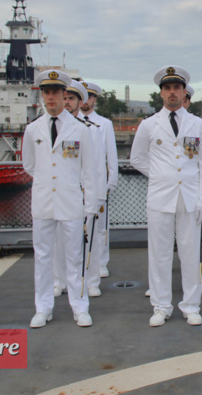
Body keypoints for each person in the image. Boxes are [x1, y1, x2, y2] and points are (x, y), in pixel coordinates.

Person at [130, 65, 202, 327]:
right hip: (160, 198)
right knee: (159, 254)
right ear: (161, 94)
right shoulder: (148, 125)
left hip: (189, 198)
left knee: (190, 254)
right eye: (167, 88)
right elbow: (137, 158)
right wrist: (158, 175)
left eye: (177, 88)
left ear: (184, 91)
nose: (172, 92)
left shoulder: (197, 124)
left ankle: (191, 305)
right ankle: (161, 305)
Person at [23, 70, 100, 328]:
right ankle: (43, 308)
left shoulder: (80, 129)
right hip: (43, 202)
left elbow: (89, 171)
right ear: (42, 95)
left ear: (64, 94)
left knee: (75, 257)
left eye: (56, 92)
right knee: (43, 257)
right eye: (47, 92)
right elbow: (29, 166)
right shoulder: (32, 129)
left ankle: (80, 306)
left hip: (70, 203)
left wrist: (90, 205)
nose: (52, 97)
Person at [53, 81, 108, 298]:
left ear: (79, 102)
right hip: (61, 193)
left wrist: (96, 194)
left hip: (85, 193)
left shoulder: (90, 130)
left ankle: (92, 280)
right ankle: (59, 280)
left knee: (90, 237)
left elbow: (95, 167)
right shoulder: (53, 127)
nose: (67, 103)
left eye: (71, 99)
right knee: (59, 241)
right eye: (64, 98)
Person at [79, 81, 119, 280]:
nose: (85, 101)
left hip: (98, 185)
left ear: (94, 100)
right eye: (82, 96)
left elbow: (111, 155)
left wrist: (110, 182)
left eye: (89, 97)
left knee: (101, 228)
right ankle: (80, 263)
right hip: (76, 185)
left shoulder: (104, 124)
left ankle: (101, 262)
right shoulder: (71, 122)